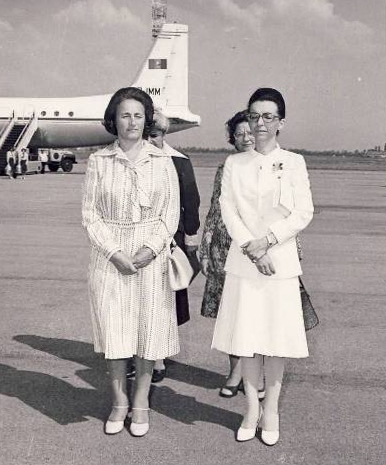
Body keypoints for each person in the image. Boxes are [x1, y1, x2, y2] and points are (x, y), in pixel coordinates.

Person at [211, 88, 314, 445]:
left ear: (281, 122)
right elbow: (228, 210)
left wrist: (268, 241)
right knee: (248, 338)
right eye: (255, 115)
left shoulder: (295, 162)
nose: (260, 123)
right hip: (245, 262)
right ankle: (251, 409)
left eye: (269, 116)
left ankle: (271, 410)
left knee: (275, 339)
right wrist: (252, 249)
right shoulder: (233, 164)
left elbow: (303, 212)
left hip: (280, 263)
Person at [82, 87, 180, 437]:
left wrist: (151, 249)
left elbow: (170, 214)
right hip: (110, 259)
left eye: (139, 115)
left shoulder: (164, 161)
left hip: (150, 259)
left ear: (146, 119)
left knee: (146, 334)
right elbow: (90, 216)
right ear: (114, 119)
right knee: (115, 333)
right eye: (125, 114)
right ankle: (118, 401)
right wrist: (114, 253)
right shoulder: (98, 161)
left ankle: (140, 403)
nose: (132, 121)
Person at [200, 110, 266, 399]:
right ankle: (235, 371)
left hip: (262, 250)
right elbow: (215, 210)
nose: (245, 138)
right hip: (225, 250)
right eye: (238, 134)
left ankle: (256, 375)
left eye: (249, 132)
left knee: (260, 314)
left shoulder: (275, 165)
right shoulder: (225, 168)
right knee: (230, 315)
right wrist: (205, 249)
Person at [147, 109, 200, 382]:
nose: (150, 141)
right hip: (140, 241)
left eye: (155, 135)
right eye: (146, 135)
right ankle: (142, 355)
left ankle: (158, 360)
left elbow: (191, 203)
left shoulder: (179, 161)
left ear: (165, 135)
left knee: (164, 301)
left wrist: (190, 238)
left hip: (170, 241)